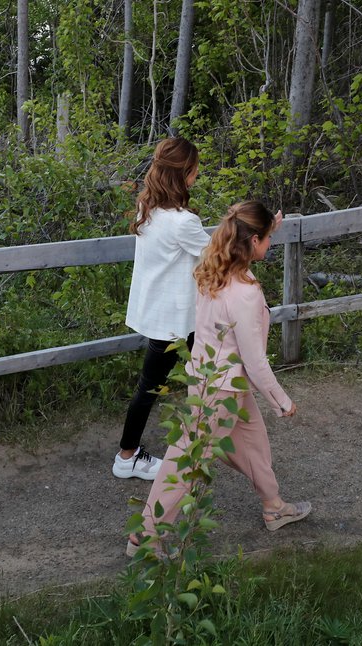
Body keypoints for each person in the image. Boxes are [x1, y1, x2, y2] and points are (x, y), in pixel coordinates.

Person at [127, 201, 311, 555]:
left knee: (254, 445)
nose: (270, 245)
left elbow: (236, 229)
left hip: (220, 381)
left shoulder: (215, 266)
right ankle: (145, 537)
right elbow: (255, 361)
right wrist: (281, 402)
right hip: (221, 393)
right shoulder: (244, 292)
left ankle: (275, 507)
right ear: (253, 241)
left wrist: (269, 224)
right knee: (187, 462)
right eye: (268, 239)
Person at [114, 137, 211, 480]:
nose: (198, 173)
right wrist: (255, 232)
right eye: (195, 168)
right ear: (185, 173)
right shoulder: (181, 221)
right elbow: (217, 255)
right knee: (152, 386)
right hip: (174, 321)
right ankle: (128, 456)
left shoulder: (148, 208)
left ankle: (203, 437)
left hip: (159, 313)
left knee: (195, 374)